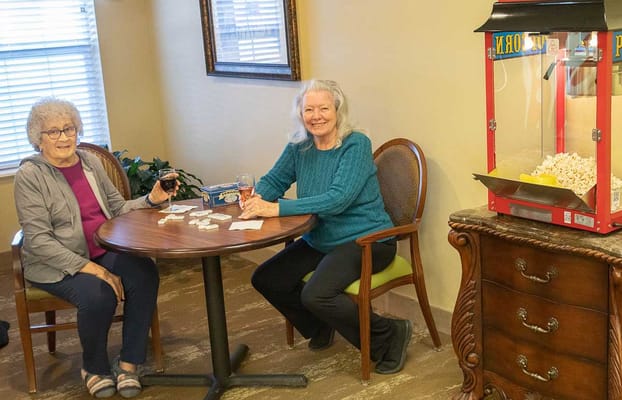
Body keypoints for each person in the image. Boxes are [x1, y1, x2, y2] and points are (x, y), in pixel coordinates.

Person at [239, 79, 412, 375]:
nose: (316, 116)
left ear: (338, 111)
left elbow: (337, 200)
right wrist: (257, 199)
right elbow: (274, 179)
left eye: (323, 108)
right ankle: (320, 324)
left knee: (316, 294)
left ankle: (389, 335)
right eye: (309, 109)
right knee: (267, 278)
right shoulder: (300, 145)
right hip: (321, 238)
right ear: (300, 114)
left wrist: (276, 208)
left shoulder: (356, 144)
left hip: (367, 240)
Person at [13, 97, 177, 398]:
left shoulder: (90, 163)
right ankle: (94, 367)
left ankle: (129, 363)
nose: (64, 137)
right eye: (54, 132)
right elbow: (38, 240)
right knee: (98, 295)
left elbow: (116, 208)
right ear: (38, 138)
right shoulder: (29, 176)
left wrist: (151, 199)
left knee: (144, 274)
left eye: (69, 128)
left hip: (103, 249)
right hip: (55, 264)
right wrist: (94, 270)